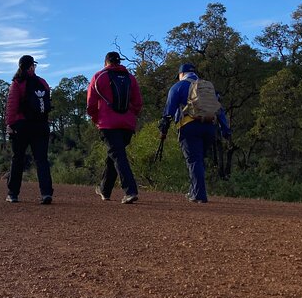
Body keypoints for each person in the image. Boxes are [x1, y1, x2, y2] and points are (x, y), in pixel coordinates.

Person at [159, 63, 231, 203]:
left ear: (181, 74)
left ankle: (199, 194)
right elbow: (219, 110)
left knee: (193, 160)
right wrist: (225, 130)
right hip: (209, 127)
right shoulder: (207, 87)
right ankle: (194, 190)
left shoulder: (178, 87)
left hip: (189, 126)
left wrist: (163, 130)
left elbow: (168, 112)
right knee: (199, 160)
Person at [86, 52, 143, 204]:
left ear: (106, 62)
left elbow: (91, 104)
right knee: (115, 155)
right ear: (119, 62)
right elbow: (138, 103)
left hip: (108, 124)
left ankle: (130, 191)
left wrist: (96, 119)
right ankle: (104, 189)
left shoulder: (99, 76)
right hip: (127, 125)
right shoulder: (130, 78)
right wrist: (130, 116)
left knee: (118, 155)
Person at [5, 55, 54, 204]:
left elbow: (12, 106)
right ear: (32, 66)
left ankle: (13, 194)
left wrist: (10, 124)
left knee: (17, 159)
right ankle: (46, 193)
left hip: (22, 126)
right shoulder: (42, 82)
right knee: (41, 160)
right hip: (41, 126)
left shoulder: (17, 83)